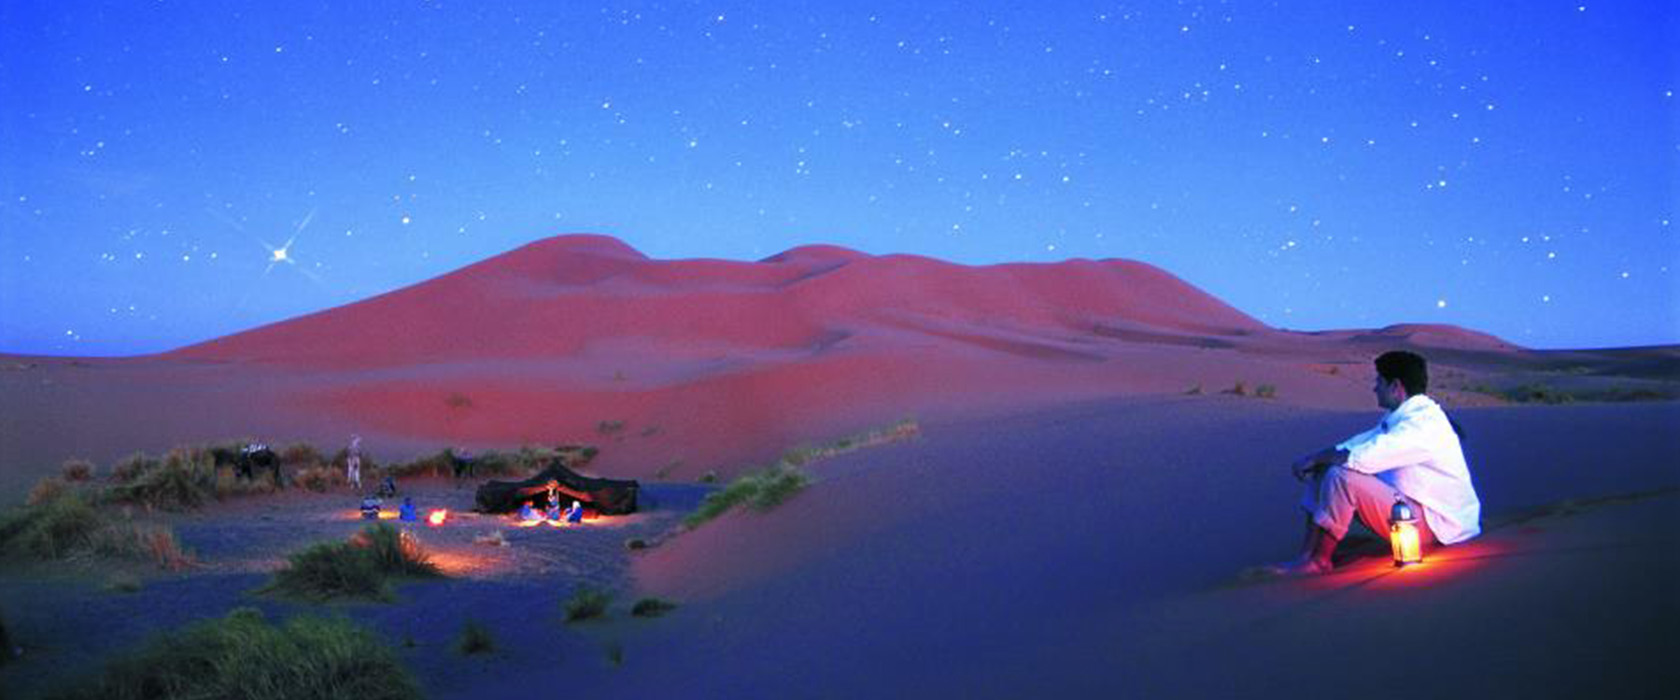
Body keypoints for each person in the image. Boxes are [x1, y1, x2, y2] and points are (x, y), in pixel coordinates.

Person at [1267, 350, 1481, 576]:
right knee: (1325, 468)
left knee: (1341, 477)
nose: (1374, 388)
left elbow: (1363, 457)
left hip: (1439, 527)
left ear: (1395, 386)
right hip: (1411, 511)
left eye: (1379, 381)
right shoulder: (1403, 416)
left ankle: (1320, 561)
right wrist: (1317, 458)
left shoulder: (1423, 424)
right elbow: (1359, 443)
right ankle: (1306, 556)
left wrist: (1319, 458)